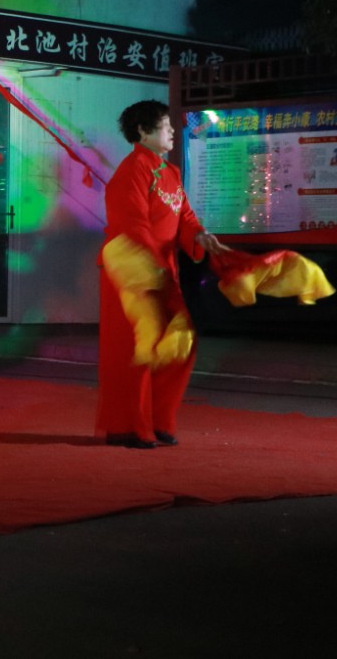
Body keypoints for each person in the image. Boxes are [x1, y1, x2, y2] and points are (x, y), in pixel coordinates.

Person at [97, 100, 229, 449]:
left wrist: (199, 236)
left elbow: (185, 217)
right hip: (132, 273)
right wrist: (151, 267)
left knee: (178, 344)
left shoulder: (169, 172)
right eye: (166, 125)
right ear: (143, 131)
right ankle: (127, 426)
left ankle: (157, 421)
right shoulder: (132, 171)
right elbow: (132, 225)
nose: (172, 131)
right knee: (136, 349)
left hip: (161, 272)